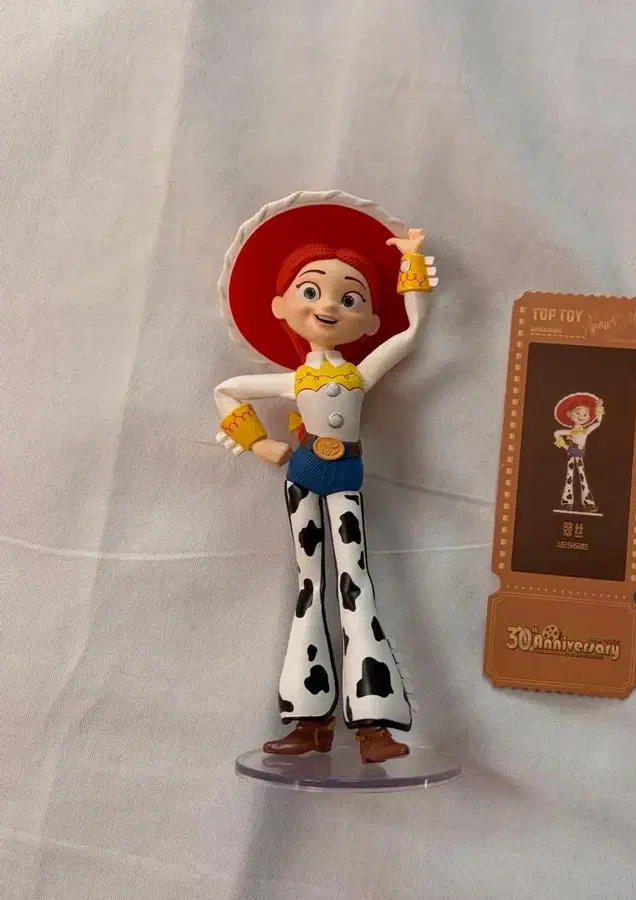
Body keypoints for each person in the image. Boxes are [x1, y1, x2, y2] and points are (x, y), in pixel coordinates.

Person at [214, 192, 437, 763]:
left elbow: (412, 334)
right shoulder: (295, 381)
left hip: (346, 476)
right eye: (310, 291)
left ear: (371, 320)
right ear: (280, 305)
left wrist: (412, 261)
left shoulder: (361, 373)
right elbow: (226, 391)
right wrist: (258, 442)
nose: (329, 306)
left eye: (349, 297)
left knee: (355, 580)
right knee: (310, 583)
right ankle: (310, 718)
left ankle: (374, 724)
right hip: (304, 473)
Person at [553, 393, 604, 512]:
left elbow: (598, 423)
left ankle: (587, 502)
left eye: (585, 414)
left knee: (581, 475)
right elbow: (556, 433)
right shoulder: (572, 432)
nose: (582, 416)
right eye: (577, 413)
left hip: (579, 453)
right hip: (572, 452)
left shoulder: (585, 431)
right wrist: (565, 446)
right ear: (569, 414)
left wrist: (598, 409)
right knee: (570, 475)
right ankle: (567, 501)